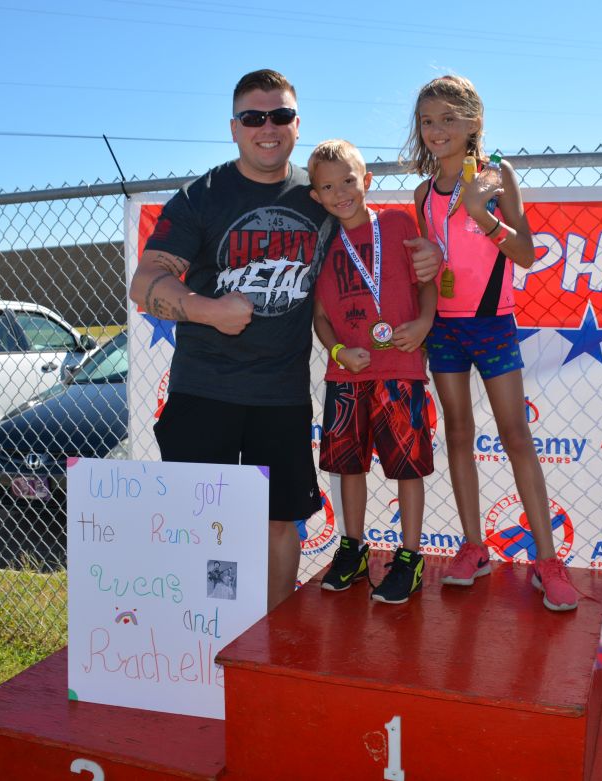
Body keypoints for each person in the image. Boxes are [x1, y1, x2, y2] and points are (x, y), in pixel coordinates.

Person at [129, 70, 441, 611]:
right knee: (202, 524)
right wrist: (208, 310)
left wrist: (430, 257)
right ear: (234, 128)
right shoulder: (202, 196)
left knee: (280, 522)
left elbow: (375, 237)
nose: (267, 128)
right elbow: (145, 282)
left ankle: (268, 634)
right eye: (253, 117)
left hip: (281, 394)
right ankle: (205, 628)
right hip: (204, 389)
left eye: (280, 115)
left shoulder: (318, 193)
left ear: (297, 125)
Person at [404, 74, 578, 611]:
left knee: (515, 435)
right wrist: (426, 306)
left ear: (474, 122)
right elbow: (430, 271)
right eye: (427, 121)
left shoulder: (497, 177)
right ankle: (474, 546)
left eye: (447, 119)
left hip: (493, 324)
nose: (436, 130)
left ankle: (547, 560)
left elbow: (526, 254)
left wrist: (482, 215)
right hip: (445, 330)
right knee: (458, 433)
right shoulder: (422, 193)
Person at [307, 140, 437, 604]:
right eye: (327, 187)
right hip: (347, 375)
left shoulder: (398, 223)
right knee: (348, 466)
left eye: (348, 181)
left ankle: (410, 556)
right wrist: (339, 351)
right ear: (316, 196)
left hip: (400, 366)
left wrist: (423, 324)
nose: (340, 193)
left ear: (366, 180)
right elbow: (320, 317)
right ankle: (353, 548)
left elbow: (428, 282)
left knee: (407, 467)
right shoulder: (321, 244)